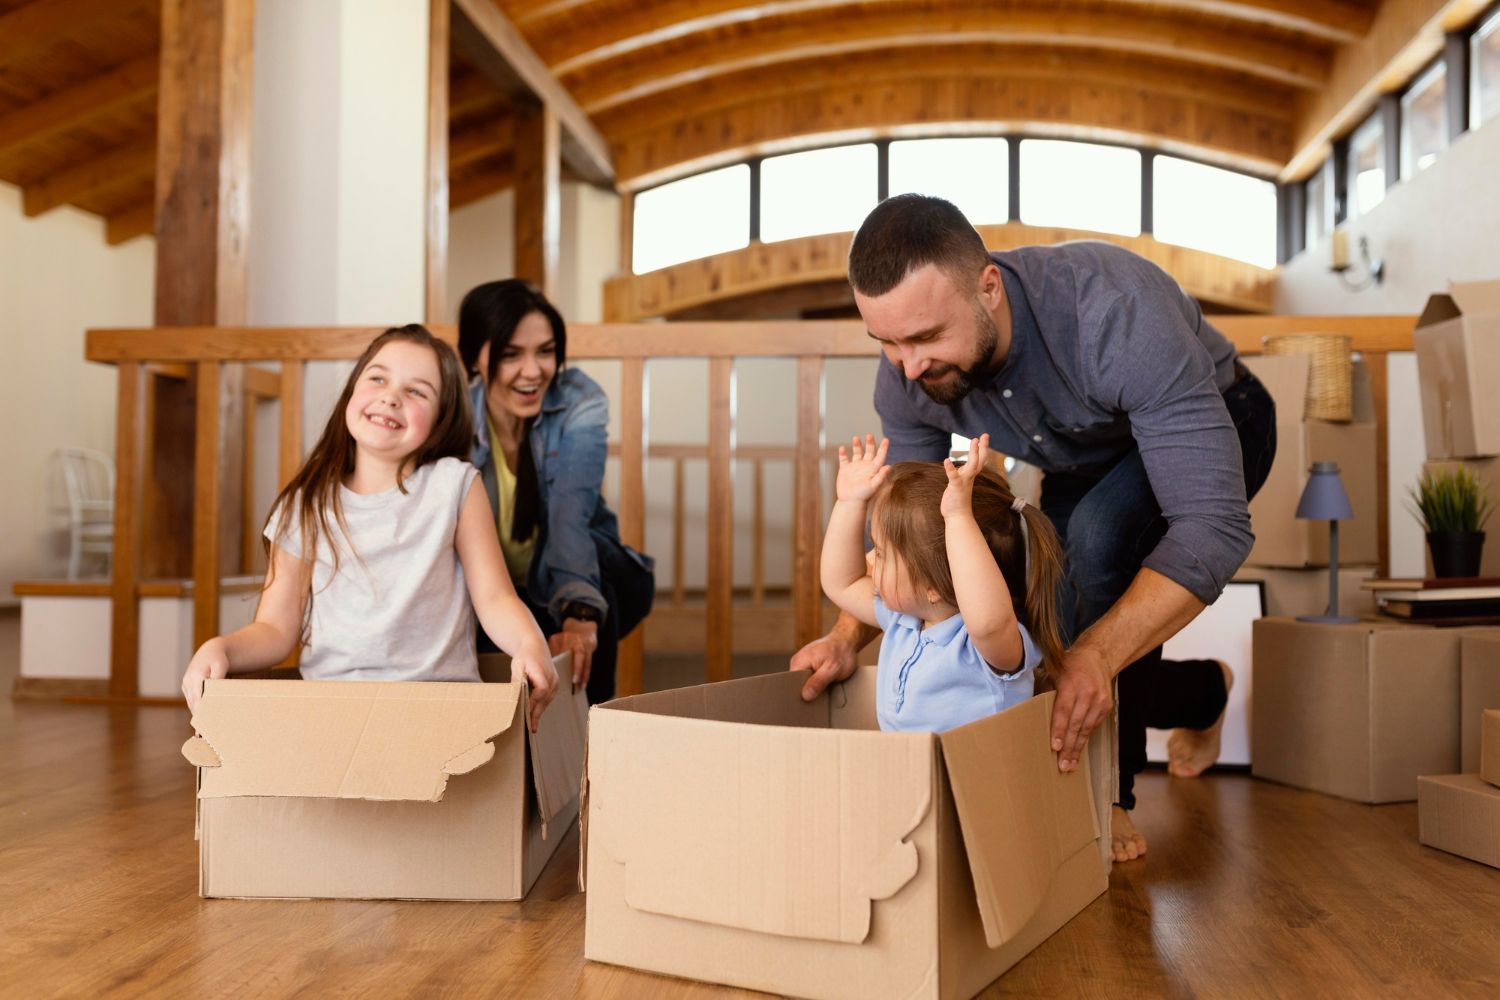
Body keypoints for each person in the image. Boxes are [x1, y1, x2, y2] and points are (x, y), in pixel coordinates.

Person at [791, 194, 1276, 861]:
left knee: (1101, 543)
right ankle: (1202, 691)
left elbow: (1210, 528)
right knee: (1049, 615)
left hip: (1220, 416)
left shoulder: (1112, 313)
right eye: (886, 342)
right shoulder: (911, 374)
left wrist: (1100, 655)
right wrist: (851, 633)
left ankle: (1108, 794)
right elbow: (912, 535)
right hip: (1086, 454)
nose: (906, 366)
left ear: (988, 288)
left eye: (926, 337)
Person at [181, 325, 558, 730]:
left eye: (417, 391)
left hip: (441, 712)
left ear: (440, 418)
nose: (391, 396)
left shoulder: (454, 484)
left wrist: (529, 643)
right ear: (352, 392)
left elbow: (495, 599)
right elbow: (274, 628)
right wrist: (219, 647)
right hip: (335, 714)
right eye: (377, 378)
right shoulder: (304, 504)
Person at [458, 280, 654, 705]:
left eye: (545, 352)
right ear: (475, 355)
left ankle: (594, 735)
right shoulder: (454, 417)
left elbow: (571, 511)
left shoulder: (579, 401)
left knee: (598, 587)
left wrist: (580, 615)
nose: (533, 371)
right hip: (498, 590)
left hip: (578, 575)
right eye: (511, 355)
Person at [822, 432, 1065, 732]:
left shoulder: (986, 646)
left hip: (972, 778)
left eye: (882, 554)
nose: (869, 560)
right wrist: (849, 503)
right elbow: (841, 583)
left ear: (933, 587)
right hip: (910, 770)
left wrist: (958, 517)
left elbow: (987, 623)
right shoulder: (904, 620)